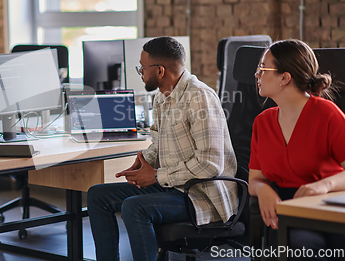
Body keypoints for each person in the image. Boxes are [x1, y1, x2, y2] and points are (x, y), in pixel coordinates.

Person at [87, 36, 239, 261]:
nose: (140, 72)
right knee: (97, 196)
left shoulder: (199, 97)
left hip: (201, 196)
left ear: (159, 71)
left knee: (134, 207)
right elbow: (159, 146)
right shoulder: (161, 98)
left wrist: (157, 176)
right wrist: (144, 162)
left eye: (142, 68)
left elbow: (210, 164)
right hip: (174, 187)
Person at [249, 39, 345, 259]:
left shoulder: (327, 114)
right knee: (302, 245)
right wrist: (262, 190)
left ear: (285, 78)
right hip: (286, 210)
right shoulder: (262, 122)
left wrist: (323, 186)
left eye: (263, 69)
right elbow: (255, 178)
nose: (257, 75)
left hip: (328, 205)